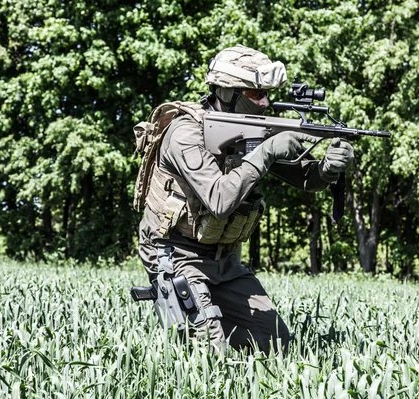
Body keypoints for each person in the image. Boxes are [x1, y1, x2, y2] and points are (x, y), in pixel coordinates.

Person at [136, 45, 354, 353]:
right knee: (209, 359)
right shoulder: (185, 133)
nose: (265, 102)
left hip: (224, 260)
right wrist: (266, 152)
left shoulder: (254, 129)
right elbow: (219, 201)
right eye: (256, 94)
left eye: (266, 93)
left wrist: (328, 170)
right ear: (227, 92)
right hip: (175, 254)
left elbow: (306, 178)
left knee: (276, 345)